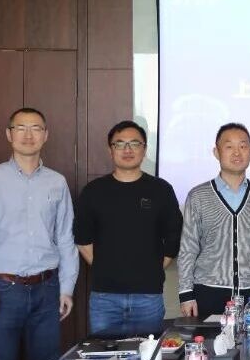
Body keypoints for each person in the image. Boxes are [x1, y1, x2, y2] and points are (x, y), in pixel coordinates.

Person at [0, 107, 77, 360]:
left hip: (47, 288)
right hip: (4, 290)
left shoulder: (57, 182)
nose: (28, 135)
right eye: (21, 128)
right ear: (9, 134)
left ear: (45, 135)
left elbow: (65, 238)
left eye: (36, 128)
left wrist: (66, 288)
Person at [74, 121, 183, 337]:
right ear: (110, 150)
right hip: (104, 297)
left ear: (144, 149)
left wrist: (151, 268)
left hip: (148, 296)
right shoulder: (94, 191)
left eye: (134, 143)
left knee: (147, 353)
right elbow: (83, 239)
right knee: (103, 354)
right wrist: (108, 268)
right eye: (120, 144)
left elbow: (173, 238)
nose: (127, 150)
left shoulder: (161, 190)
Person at [177, 123, 250, 318]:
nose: (237, 153)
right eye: (229, 146)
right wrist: (186, 293)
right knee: (208, 338)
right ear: (216, 152)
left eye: (243, 146)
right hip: (208, 291)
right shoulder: (198, 195)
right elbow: (188, 247)